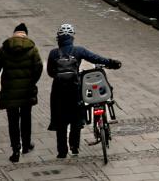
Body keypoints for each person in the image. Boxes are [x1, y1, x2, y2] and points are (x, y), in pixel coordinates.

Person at [46, 24, 120, 159]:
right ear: (72, 37)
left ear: (59, 39)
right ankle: (74, 148)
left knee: (61, 121)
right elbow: (96, 58)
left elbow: (50, 73)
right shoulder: (78, 50)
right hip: (75, 89)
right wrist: (112, 63)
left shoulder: (53, 53)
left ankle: (62, 151)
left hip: (58, 91)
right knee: (75, 119)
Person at [0, 23, 43, 163]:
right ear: (25, 34)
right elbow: (39, 67)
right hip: (27, 91)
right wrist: (32, 81)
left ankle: (15, 150)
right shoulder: (32, 49)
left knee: (13, 121)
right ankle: (27, 144)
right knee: (26, 118)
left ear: (14, 33)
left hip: (9, 91)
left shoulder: (4, 49)